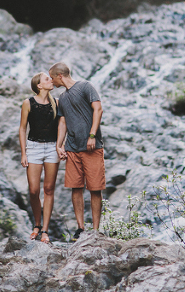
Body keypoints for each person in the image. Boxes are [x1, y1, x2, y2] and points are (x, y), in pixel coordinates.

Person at [49, 62, 105, 242]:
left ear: (60, 76)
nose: (51, 82)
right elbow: (63, 123)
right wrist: (59, 145)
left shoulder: (85, 87)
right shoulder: (62, 98)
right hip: (72, 148)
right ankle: (81, 227)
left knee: (95, 188)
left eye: (52, 78)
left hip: (92, 146)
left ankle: (95, 230)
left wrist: (92, 135)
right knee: (76, 187)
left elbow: (98, 109)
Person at [19, 71, 60, 244]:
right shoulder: (28, 103)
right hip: (33, 147)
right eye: (47, 79)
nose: (51, 81)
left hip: (52, 148)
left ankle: (44, 230)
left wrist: (60, 145)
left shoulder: (56, 103)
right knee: (34, 190)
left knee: (49, 190)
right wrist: (23, 152)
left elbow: (61, 126)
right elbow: (22, 128)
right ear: (39, 85)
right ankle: (36, 223)